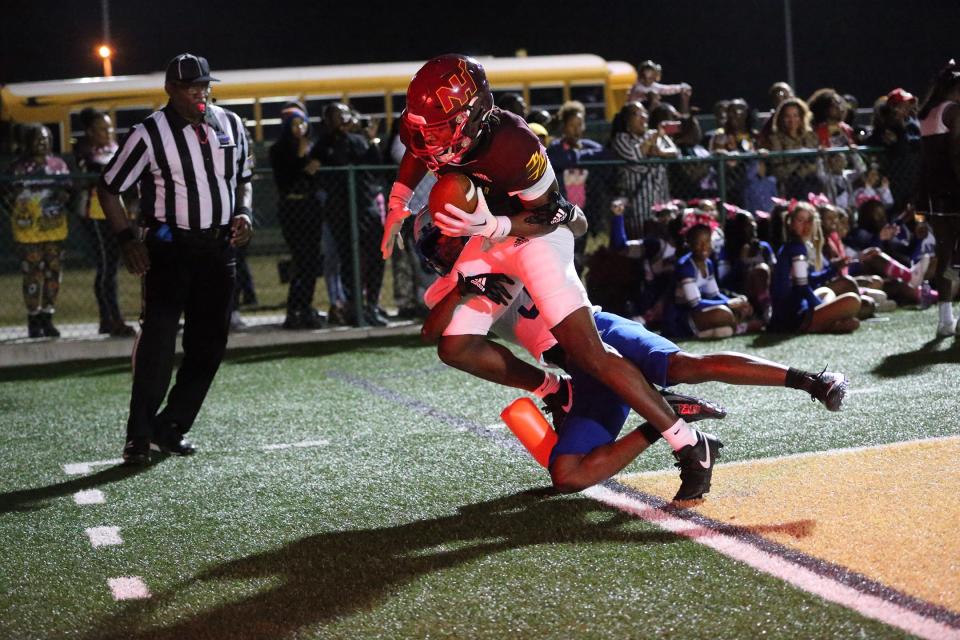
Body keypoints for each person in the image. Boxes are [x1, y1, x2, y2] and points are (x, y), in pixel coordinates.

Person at [380, 54, 722, 500]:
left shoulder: (513, 144)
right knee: (454, 345)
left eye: (443, 127)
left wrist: (494, 227)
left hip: (533, 232)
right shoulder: (432, 133)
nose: (432, 138)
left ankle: (689, 444)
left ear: (474, 114)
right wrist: (397, 205)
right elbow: (417, 150)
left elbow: (553, 216)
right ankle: (554, 388)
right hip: (487, 237)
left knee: (591, 353)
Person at [415, 208, 848, 498]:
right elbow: (435, 335)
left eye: (450, 239)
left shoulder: (499, 238)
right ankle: (665, 422)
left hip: (596, 326)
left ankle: (810, 380)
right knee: (567, 476)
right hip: (573, 364)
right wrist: (461, 288)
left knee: (685, 365)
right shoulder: (453, 284)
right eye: (439, 246)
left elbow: (556, 225)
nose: (448, 249)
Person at [96, 54, 253, 464]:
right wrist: (127, 237)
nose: (200, 94)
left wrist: (245, 213)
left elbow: (244, 180)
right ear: (170, 90)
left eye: (205, 85)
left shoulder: (232, 124)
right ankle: (138, 435)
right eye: (191, 87)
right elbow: (109, 187)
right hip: (170, 251)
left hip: (219, 250)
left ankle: (172, 427)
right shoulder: (148, 133)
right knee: (158, 345)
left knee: (209, 346)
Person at [311, 102, 387, 326]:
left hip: (366, 207)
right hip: (340, 212)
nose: (344, 118)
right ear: (328, 120)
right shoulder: (323, 146)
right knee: (349, 261)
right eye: (338, 115)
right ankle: (356, 308)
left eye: (345, 113)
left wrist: (372, 140)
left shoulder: (358, 140)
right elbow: (315, 171)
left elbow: (375, 166)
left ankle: (372, 305)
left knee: (377, 256)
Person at [74, 108, 138, 337]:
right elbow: (98, 173)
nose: (108, 132)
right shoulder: (85, 152)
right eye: (102, 128)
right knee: (106, 268)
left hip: (117, 215)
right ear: (90, 132)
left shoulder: (115, 149)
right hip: (95, 215)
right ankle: (110, 319)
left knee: (116, 266)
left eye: (109, 127)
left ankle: (113, 318)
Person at [5, 124, 71, 338]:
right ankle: (33, 319)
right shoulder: (18, 168)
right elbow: (7, 195)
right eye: (37, 139)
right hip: (28, 230)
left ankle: (48, 317)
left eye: (45, 139)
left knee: (53, 272)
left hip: (54, 228)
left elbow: (70, 190)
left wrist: (62, 196)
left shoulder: (58, 165)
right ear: (28, 142)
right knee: (32, 273)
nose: (42, 143)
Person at [269, 102, 325, 329]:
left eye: (302, 122)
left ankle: (307, 307)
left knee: (312, 261)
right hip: (292, 210)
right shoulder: (277, 150)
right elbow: (287, 181)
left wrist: (309, 163)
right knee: (300, 260)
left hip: (311, 208)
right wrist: (302, 161)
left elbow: (314, 178)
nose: (299, 127)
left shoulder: (312, 148)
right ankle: (294, 310)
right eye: (294, 123)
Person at [916, 61, 960, 337]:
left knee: (945, 255)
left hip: (933, 192)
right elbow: (957, 154)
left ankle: (945, 320)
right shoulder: (954, 111)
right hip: (955, 189)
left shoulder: (927, 112)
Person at [769, 202, 861, 333]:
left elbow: (807, 279)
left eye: (809, 221)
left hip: (791, 313)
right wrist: (822, 306)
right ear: (791, 223)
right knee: (852, 301)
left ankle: (828, 323)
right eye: (800, 220)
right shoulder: (796, 247)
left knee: (828, 294)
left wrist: (834, 269)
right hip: (793, 316)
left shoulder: (797, 245)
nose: (806, 225)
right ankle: (817, 324)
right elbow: (802, 288)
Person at [609, 101, 677, 240]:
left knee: (664, 245)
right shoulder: (622, 139)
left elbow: (675, 152)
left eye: (645, 113)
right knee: (640, 246)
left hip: (662, 203)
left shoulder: (653, 134)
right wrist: (650, 143)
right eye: (638, 114)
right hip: (638, 207)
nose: (644, 117)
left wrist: (660, 153)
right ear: (627, 121)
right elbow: (635, 158)